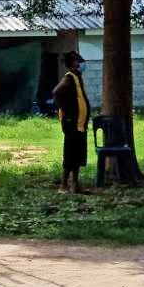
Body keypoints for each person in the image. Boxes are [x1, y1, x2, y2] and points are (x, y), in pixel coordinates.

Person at [51, 52, 91, 193]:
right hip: (72, 124)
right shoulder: (69, 78)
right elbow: (57, 93)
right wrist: (68, 114)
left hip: (80, 124)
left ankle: (74, 184)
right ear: (72, 63)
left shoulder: (77, 77)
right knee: (70, 154)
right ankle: (63, 185)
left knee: (78, 154)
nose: (80, 64)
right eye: (77, 61)